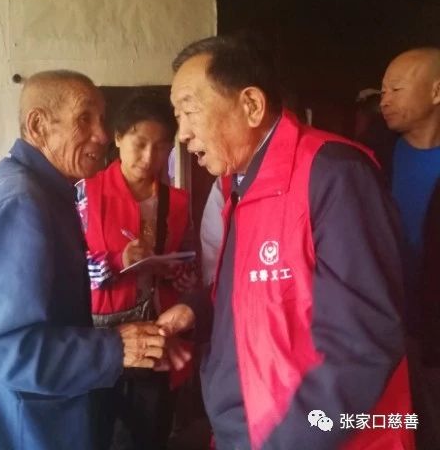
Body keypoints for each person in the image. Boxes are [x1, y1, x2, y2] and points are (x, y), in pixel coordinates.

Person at [157, 34, 413, 449]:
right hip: (248, 429)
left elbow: (361, 345)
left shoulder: (334, 174)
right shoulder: (242, 182)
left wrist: (286, 442)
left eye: (189, 111)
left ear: (251, 105)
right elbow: (266, 291)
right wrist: (197, 310)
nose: (182, 134)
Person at [0, 70, 171, 450]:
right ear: (38, 126)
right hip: (21, 427)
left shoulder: (38, 189)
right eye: (84, 119)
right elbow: (7, 348)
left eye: (101, 120)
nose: (101, 135)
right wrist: (115, 348)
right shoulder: (21, 201)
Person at [76, 92, 197, 449]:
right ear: (117, 138)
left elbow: (189, 269)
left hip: (156, 334)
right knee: (96, 433)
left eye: (160, 147)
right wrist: (117, 261)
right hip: (100, 336)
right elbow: (67, 268)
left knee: (150, 432)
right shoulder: (85, 193)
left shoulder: (177, 202)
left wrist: (178, 272)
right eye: (139, 144)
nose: (149, 158)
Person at [380, 47, 440, 449]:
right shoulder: (368, 157)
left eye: (397, 89)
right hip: (387, 332)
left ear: (436, 92)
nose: (385, 100)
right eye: (383, 90)